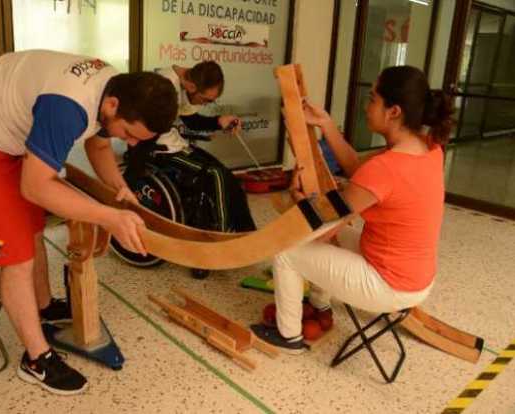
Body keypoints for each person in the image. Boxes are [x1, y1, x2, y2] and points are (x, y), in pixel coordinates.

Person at [0, 50, 178, 394]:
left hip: (8, 133)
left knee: (30, 230)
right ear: (111, 105)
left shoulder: (114, 90)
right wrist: (109, 217)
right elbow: (35, 186)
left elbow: (99, 146)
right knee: (16, 256)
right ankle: (36, 360)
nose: (132, 143)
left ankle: (44, 307)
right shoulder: (69, 106)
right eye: (130, 133)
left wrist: (119, 188)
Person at [251, 65, 453, 354]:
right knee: (331, 235)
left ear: (393, 111)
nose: (366, 106)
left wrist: (299, 199)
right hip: (414, 275)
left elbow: (323, 228)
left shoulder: (387, 167)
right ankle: (319, 306)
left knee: (287, 253)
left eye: (373, 99)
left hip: (390, 283)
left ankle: (289, 336)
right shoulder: (427, 146)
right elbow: (363, 172)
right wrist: (326, 124)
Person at [126, 61, 256, 279]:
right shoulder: (163, 88)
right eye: (205, 100)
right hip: (157, 150)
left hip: (173, 144)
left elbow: (191, 120)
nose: (205, 104)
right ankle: (218, 243)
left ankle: (244, 234)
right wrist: (133, 175)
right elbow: (144, 133)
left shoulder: (183, 84)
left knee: (226, 175)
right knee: (213, 175)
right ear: (191, 86)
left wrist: (219, 121)